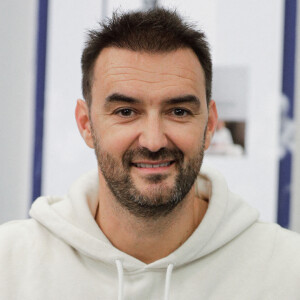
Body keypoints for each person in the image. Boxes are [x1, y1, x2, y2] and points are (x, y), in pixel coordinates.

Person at [1, 8, 300, 300]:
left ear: (209, 125)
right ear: (86, 124)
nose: (154, 141)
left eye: (179, 111)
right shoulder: (11, 263)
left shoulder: (287, 269)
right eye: (126, 112)